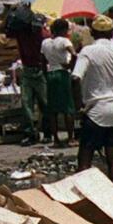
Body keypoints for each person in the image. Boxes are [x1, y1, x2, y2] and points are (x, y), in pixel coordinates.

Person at [72, 15, 113, 182]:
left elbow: (75, 78)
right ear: (111, 34)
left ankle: (83, 196)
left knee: (85, 159)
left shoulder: (87, 52)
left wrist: (78, 105)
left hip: (95, 111)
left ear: (93, 33)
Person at [5, 3, 49, 146]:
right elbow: (4, 30)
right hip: (28, 69)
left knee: (44, 104)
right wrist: (10, 11)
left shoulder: (38, 31)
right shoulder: (19, 30)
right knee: (26, 104)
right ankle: (31, 133)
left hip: (40, 69)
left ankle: (47, 132)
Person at [41, 19, 75, 147]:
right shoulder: (64, 41)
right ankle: (71, 138)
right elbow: (74, 54)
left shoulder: (45, 43)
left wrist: (45, 74)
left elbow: (43, 61)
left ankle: (55, 139)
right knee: (68, 107)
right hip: (62, 73)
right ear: (64, 30)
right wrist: (70, 65)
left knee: (53, 109)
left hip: (51, 74)